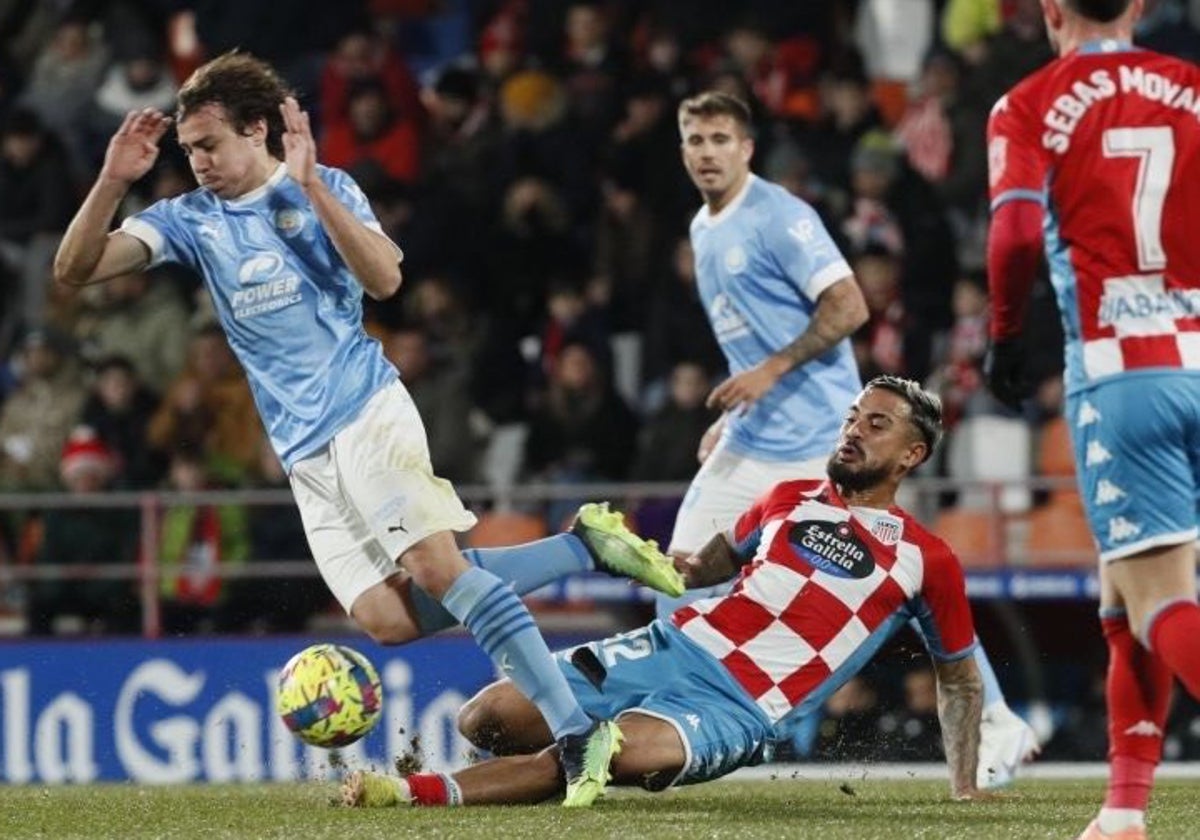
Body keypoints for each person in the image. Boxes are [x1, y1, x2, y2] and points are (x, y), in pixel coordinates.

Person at [51, 51, 685, 808]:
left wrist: (314, 184)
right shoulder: (191, 220)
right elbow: (75, 269)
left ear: (258, 130)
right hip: (302, 451)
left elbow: (386, 280)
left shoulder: (325, 187)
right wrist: (114, 180)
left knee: (438, 570)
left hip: (364, 410)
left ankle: (579, 733)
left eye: (210, 144)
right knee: (386, 619)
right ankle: (583, 546)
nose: (198, 162)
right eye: (188, 150)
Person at [342, 377, 991, 807]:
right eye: (852, 417)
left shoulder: (926, 558)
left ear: (911, 456)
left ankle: (411, 794)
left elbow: (959, 678)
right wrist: (623, 556)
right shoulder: (787, 499)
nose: (853, 430)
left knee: (604, 750)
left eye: (876, 425)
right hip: (668, 646)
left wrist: (964, 787)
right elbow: (701, 569)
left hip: (736, 707)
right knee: (483, 718)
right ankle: (503, 771)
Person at [665, 90, 1037, 787]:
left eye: (720, 139)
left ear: (746, 148)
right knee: (675, 579)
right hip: (754, 437)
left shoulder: (781, 217)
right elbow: (751, 337)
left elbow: (850, 305)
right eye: (695, 140)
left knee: (911, 583)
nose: (707, 152)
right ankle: (683, 728)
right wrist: (732, 409)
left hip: (820, 437)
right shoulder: (702, 226)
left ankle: (1000, 724)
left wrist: (772, 372)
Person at [984, 2, 1200, 837]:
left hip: (1123, 374)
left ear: (1050, 9)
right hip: (1195, 351)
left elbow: (1011, 236)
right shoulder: (1189, 87)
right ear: (1138, 6)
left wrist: (1005, 334)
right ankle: (1124, 809)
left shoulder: (1029, 101)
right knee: (1124, 599)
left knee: (1154, 603)